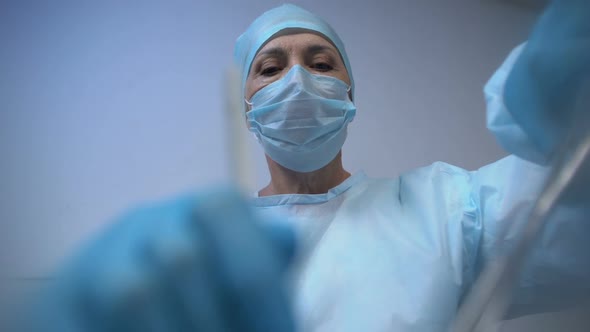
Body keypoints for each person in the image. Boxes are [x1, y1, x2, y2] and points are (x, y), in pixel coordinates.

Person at [24, 1, 590, 331]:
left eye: (320, 63)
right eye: (270, 67)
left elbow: (570, 219)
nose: (297, 80)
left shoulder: (447, 207)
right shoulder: (201, 251)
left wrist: (570, 120)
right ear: (246, 106)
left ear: (350, 95)